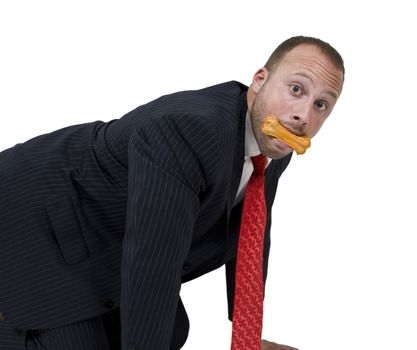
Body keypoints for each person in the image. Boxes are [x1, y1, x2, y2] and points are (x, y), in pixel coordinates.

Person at [0, 36, 344, 350]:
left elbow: (252, 232)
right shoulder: (190, 130)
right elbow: (152, 259)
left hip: (100, 239)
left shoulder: (272, 145)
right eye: (297, 89)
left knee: (172, 330)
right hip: (33, 220)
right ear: (259, 81)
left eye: (321, 105)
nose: (302, 115)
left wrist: (248, 340)